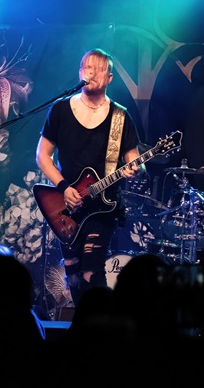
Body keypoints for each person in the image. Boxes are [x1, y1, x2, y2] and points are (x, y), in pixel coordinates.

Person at [36, 49, 142, 304]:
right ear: (80, 73)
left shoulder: (120, 116)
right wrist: (64, 187)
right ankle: (83, 322)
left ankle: (101, 322)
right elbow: (42, 156)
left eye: (99, 69)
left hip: (103, 208)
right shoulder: (60, 110)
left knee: (91, 273)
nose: (92, 73)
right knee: (73, 276)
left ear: (110, 78)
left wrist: (136, 169)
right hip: (67, 206)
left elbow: (134, 161)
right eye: (87, 68)